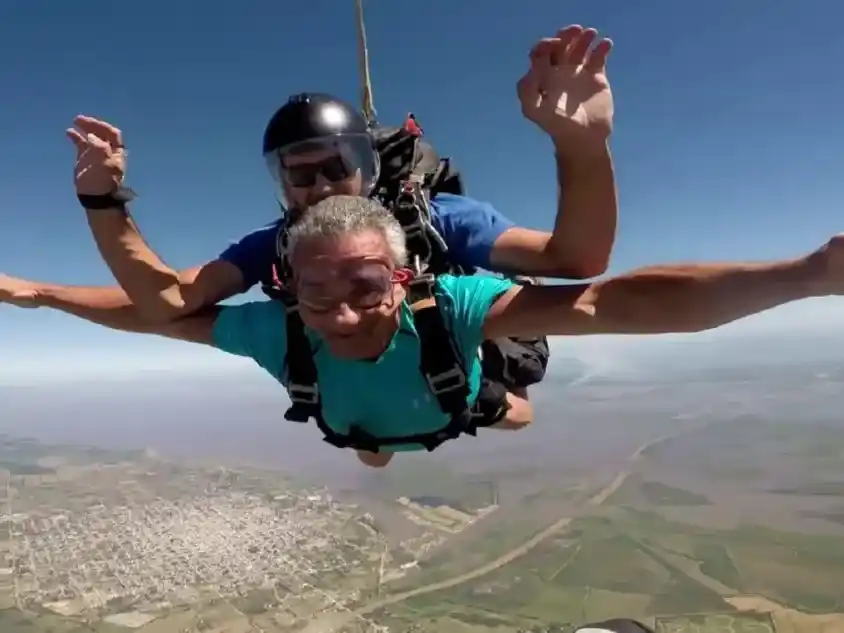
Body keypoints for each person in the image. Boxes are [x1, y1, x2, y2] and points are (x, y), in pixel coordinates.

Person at [1, 25, 619, 430]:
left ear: (367, 165)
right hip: (353, 359)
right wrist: (101, 203)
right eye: (298, 176)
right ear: (279, 183)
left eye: (334, 167)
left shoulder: (434, 218)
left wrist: (582, 147)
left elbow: (574, 260)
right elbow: (167, 302)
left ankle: (459, 398)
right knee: (368, 445)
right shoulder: (274, 243)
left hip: (449, 345)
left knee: (512, 417)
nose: (318, 187)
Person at [64, 194, 844, 468]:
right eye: (314, 291)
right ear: (287, 288)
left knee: (505, 409)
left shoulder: (456, 304)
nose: (336, 312)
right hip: (363, 426)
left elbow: (611, 302)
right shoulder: (279, 330)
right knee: (368, 449)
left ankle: (483, 402)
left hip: (451, 398)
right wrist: (32, 293)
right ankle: (415, 428)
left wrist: (802, 275)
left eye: (365, 287)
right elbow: (151, 314)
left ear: (403, 282)